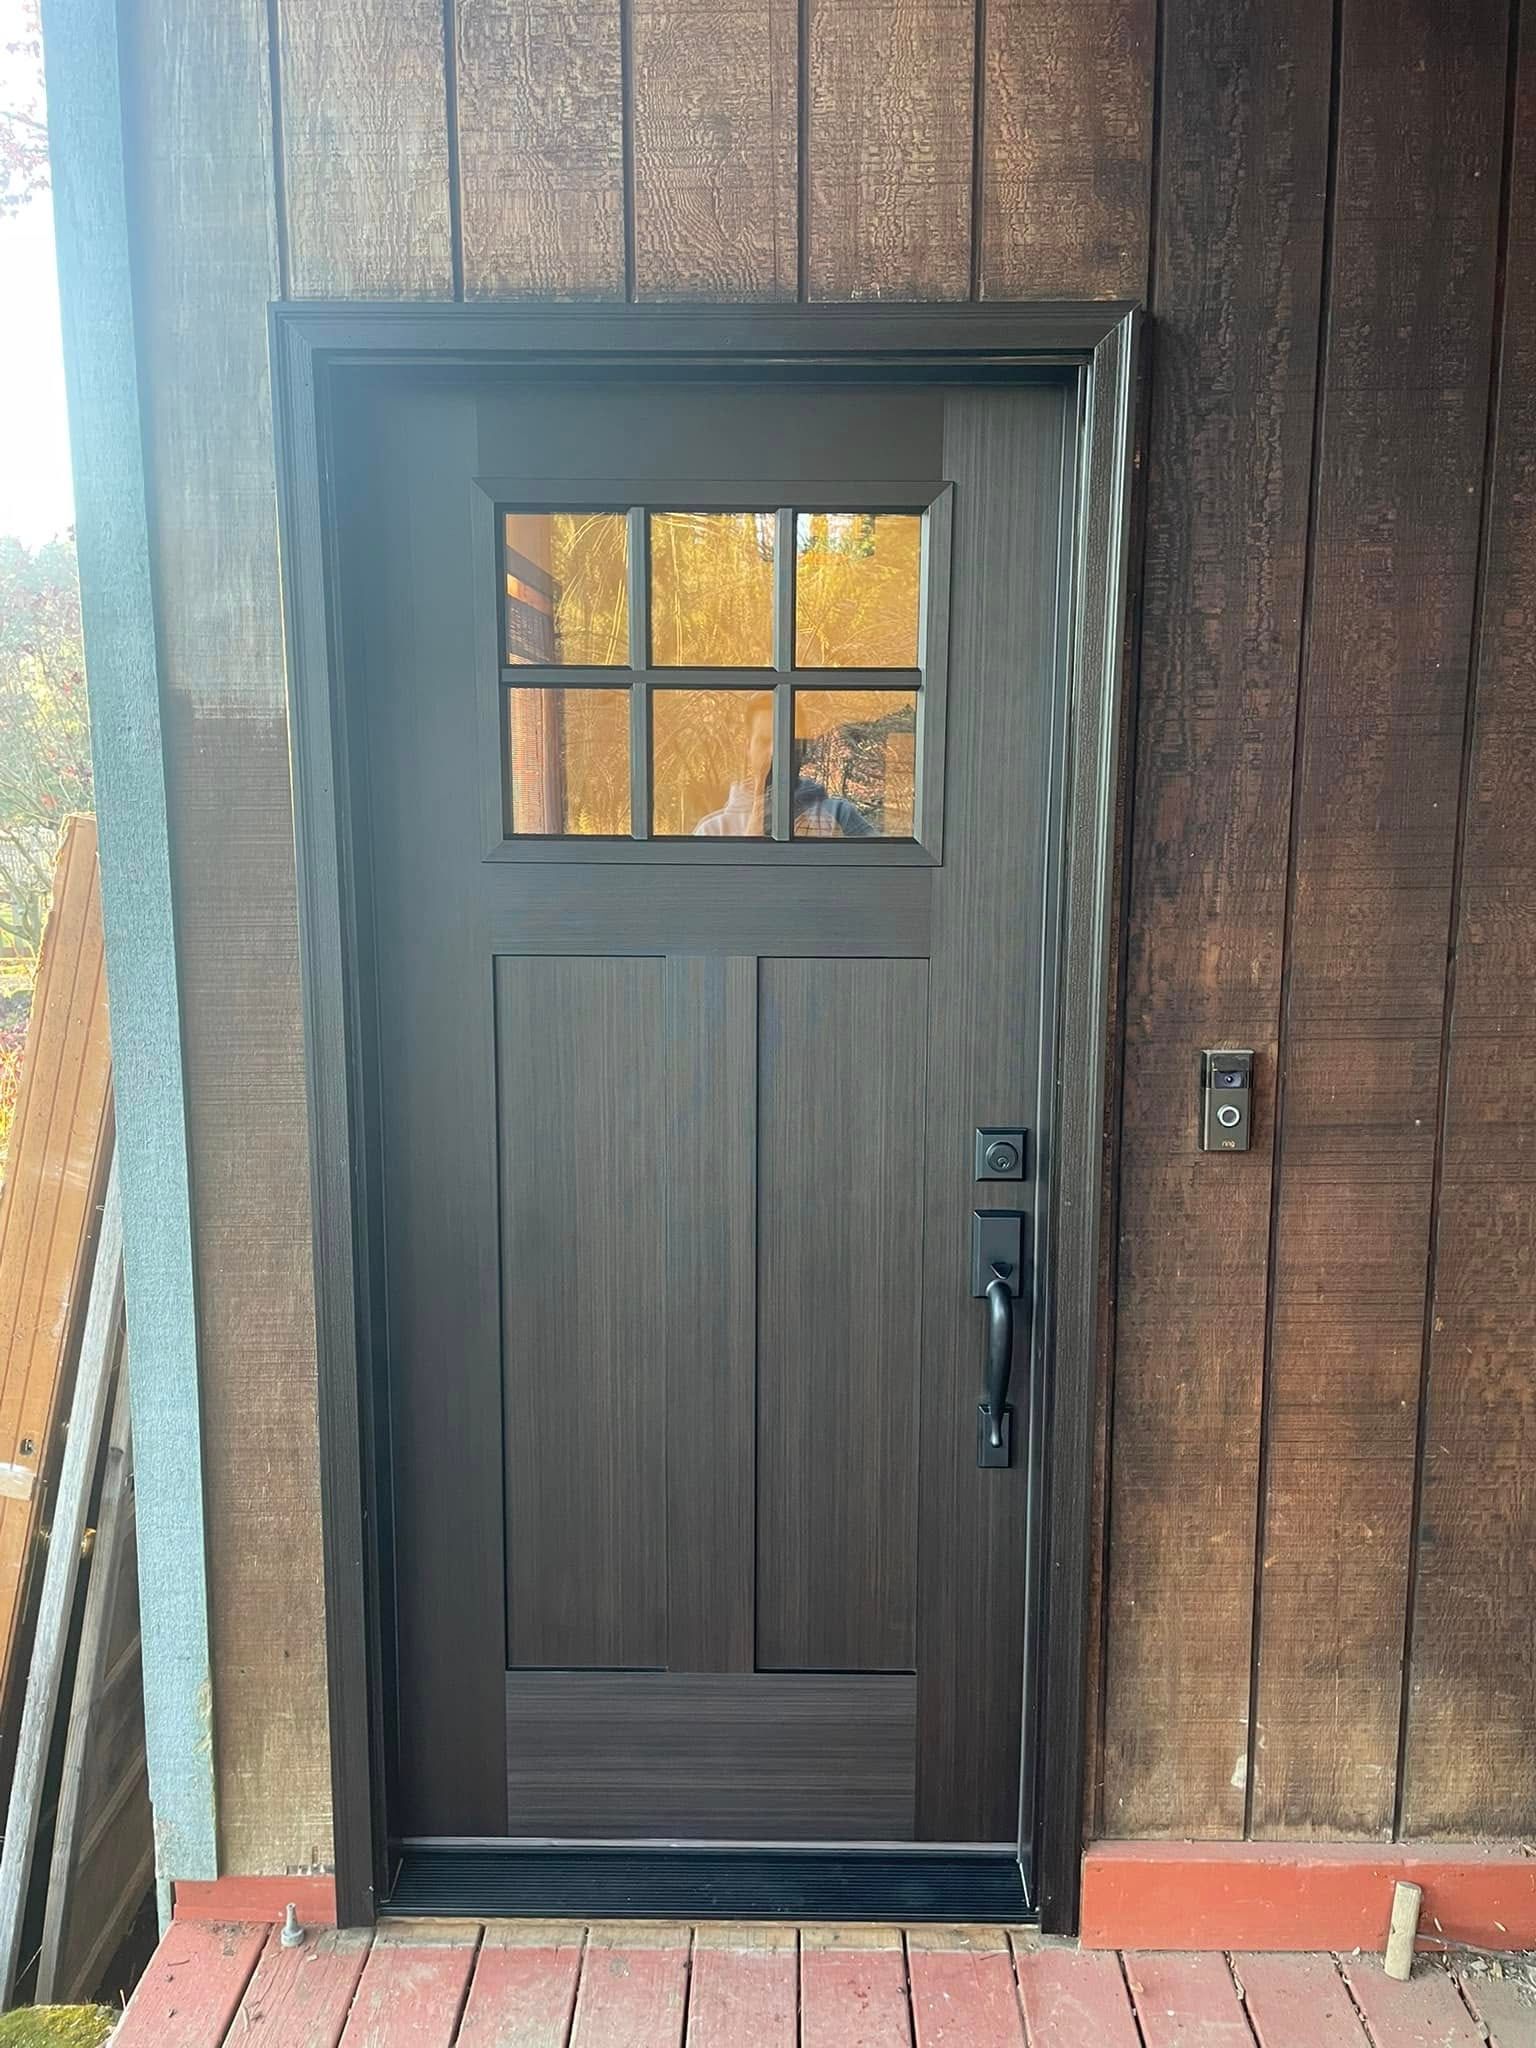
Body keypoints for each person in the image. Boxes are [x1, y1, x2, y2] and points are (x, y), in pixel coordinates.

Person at [692, 698, 874, 838]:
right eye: (764, 741)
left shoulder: (840, 816)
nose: (774, 751)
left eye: (785, 740)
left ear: (802, 748)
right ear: (748, 747)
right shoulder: (712, 831)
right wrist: (750, 840)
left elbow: (881, 879)